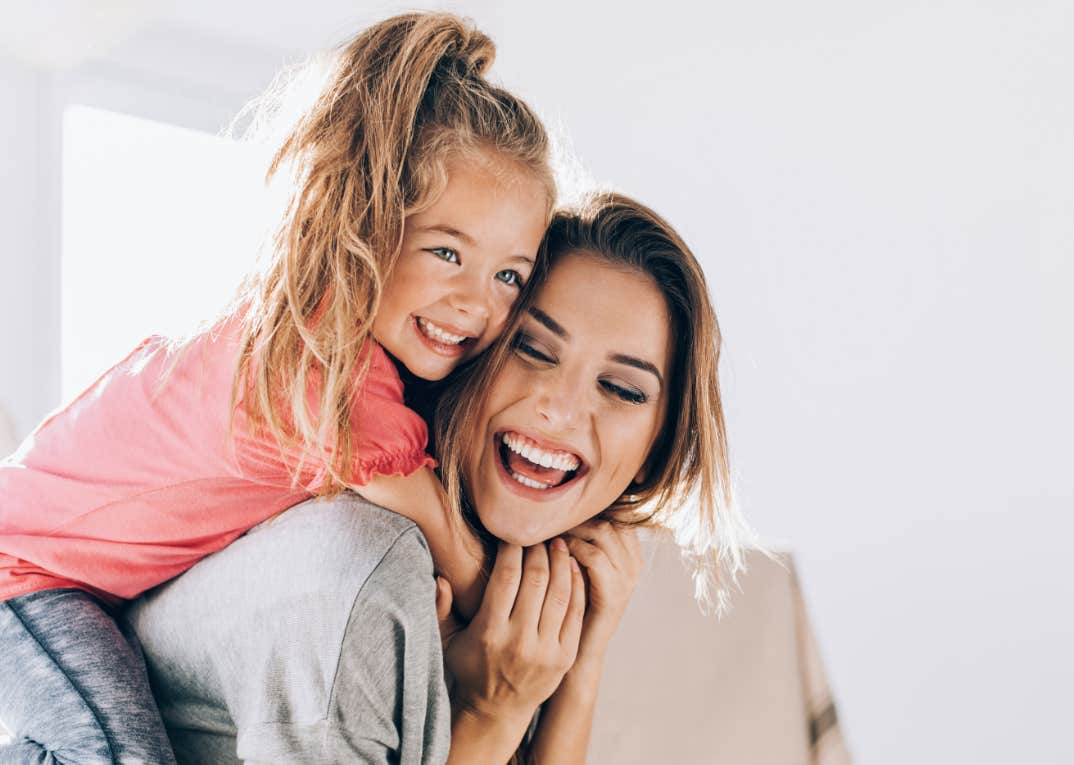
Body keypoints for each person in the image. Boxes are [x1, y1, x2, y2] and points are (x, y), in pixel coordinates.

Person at [0, 12, 553, 762]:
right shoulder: (323, 374)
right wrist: (507, 604)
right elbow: (443, 535)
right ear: (366, 222)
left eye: (509, 275)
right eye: (447, 251)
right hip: (22, 577)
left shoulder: (315, 339)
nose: (478, 302)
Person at [127, 193, 755, 763]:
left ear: (657, 445)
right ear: (466, 346)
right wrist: (491, 713)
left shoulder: (515, 582)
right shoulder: (367, 577)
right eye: (532, 349)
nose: (561, 409)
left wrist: (579, 661)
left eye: (621, 389)